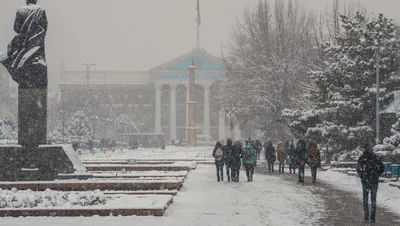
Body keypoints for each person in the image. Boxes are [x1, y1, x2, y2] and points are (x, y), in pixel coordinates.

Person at [356, 140, 385, 223]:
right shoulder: (375, 157)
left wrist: (362, 175)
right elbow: (382, 167)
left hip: (365, 180)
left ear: (365, 149)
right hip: (374, 181)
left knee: (365, 199)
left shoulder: (362, 157)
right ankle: (372, 217)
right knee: (373, 200)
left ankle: (366, 216)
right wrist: (377, 174)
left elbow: (358, 168)